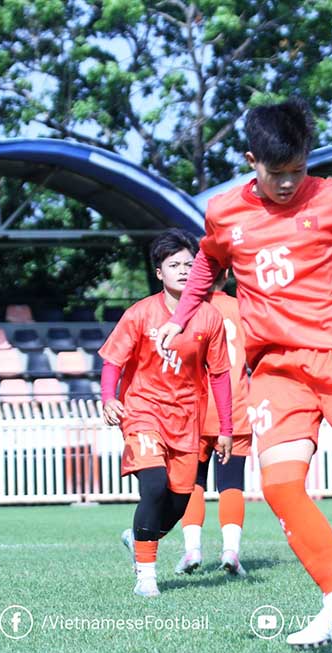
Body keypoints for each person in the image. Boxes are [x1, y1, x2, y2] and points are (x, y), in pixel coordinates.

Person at [155, 98, 332, 647]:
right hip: (275, 366)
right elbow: (207, 263)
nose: (287, 183)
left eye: (298, 170)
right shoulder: (224, 212)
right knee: (280, 486)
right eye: (276, 173)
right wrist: (179, 319)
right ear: (251, 161)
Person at [99, 230, 233, 597]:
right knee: (155, 486)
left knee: (177, 502)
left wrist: (226, 427)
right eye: (175, 265)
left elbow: (220, 375)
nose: (184, 271)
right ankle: (146, 578)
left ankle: (138, 537)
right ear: (159, 272)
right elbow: (113, 361)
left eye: (190, 264)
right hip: (142, 411)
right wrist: (108, 398)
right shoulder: (140, 313)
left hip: (186, 418)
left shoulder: (209, 317)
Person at [176, 271, 254, 578]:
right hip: (234, 407)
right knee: (231, 483)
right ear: (228, 274)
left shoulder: (189, 308)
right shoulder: (242, 308)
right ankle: (231, 551)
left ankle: (192, 549)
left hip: (195, 408)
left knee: (193, 482)